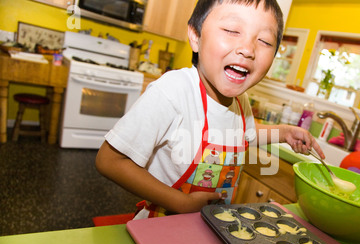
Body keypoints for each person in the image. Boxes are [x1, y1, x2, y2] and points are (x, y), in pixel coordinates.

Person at [96, 0, 325, 219]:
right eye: (232, 30)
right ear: (196, 37)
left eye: (264, 41)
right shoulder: (174, 90)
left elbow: (243, 132)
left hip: (211, 224)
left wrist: (284, 133)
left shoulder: (239, 100)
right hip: (161, 225)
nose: (247, 49)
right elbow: (110, 161)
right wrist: (180, 202)